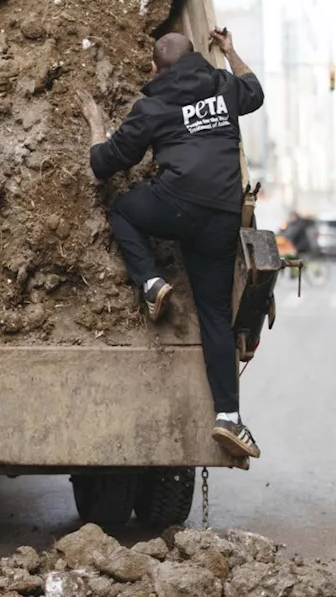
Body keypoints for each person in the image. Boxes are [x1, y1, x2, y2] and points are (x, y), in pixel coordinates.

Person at [80, 27, 264, 459]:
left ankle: (150, 283)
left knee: (124, 209)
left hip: (176, 206)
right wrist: (231, 52)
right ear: (197, 57)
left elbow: (104, 164)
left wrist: (96, 126)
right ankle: (229, 418)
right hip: (221, 216)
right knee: (215, 316)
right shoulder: (222, 85)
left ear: (153, 68)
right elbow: (253, 91)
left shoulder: (153, 105)